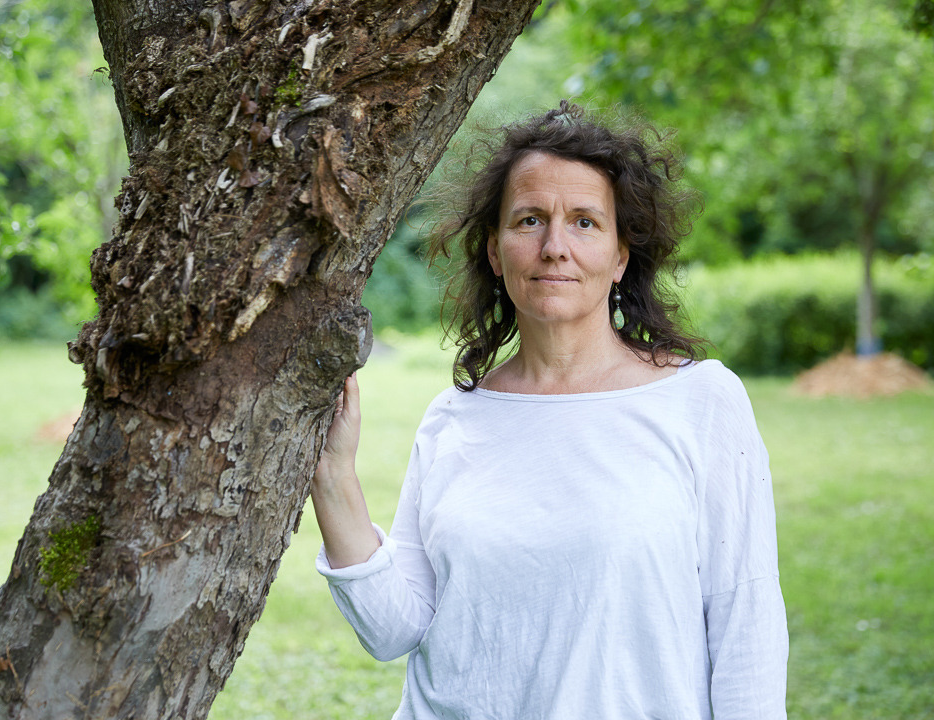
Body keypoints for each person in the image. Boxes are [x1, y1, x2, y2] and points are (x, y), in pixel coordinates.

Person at [311, 101, 788, 719]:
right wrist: (332, 476)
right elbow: (393, 630)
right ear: (494, 250)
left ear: (621, 256)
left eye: (585, 222)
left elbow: (745, 619)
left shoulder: (701, 402)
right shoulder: (456, 417)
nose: (555, 247)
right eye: (530, 220)